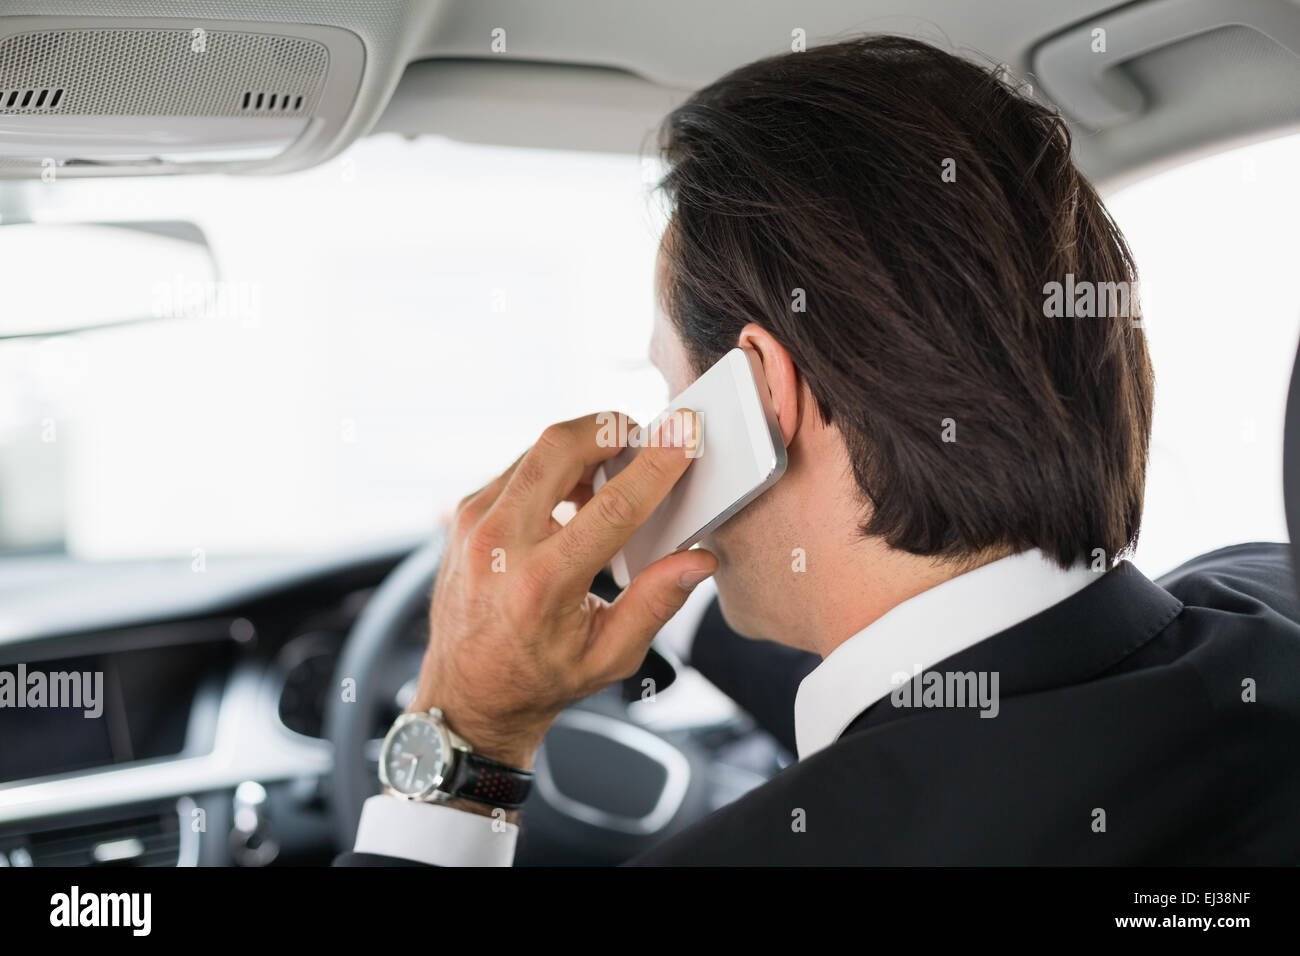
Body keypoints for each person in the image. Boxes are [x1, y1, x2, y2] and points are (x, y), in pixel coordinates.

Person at [335, 35, 1300, 866]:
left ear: (761, 391)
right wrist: (677, 613)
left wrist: (466, 732)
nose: (656, 430)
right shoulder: (1266, 606)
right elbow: (973, 692)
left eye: (674, 391)